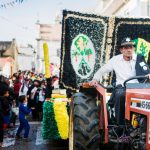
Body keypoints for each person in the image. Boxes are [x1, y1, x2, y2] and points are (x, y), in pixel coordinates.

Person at [90, 37, 150, 125]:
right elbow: (102, 70)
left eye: (131, 47)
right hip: (122, 87)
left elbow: (146, 71)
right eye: (126, 48)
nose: (129, 50)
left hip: (139, 88)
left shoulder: (139, 58)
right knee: (121, 95)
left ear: (133, 48)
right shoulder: (115, 60)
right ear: (121, 50)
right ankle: (121, 126)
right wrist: (95, 79)